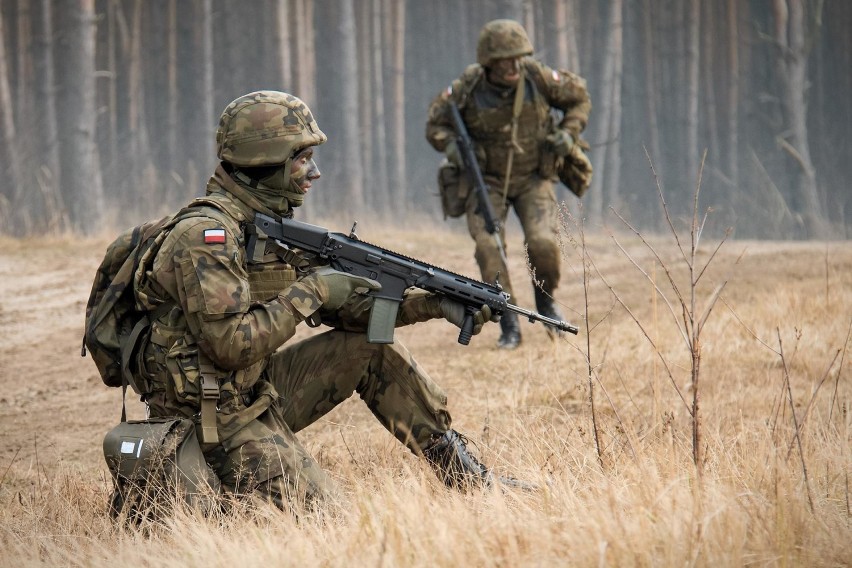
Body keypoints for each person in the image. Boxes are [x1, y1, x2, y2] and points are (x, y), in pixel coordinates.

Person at [131, 90, 513, 511]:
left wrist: (434, 304)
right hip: (213, 419)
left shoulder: (266, 228)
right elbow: (229, 344)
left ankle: (470, 481)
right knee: (333, 520)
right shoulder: (207, 238)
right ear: (266, 160)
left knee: (371, 345)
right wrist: (312, 292)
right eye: (302, 159)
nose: (314, 173)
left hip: (255, 393)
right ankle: (211, 496)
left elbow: (348, 309)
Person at [426, 19, 592, 350]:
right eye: (505, 60)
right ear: (489, 62)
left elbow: (579, 98)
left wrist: (568, 133)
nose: (513, 65)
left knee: (543, 244)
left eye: (518, 57)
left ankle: (545, 302)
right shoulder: (467, 88)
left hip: (533, 178)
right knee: (489, 247)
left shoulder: (539, 77)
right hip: (486, 182)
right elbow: (435, 124)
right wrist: (452, 148)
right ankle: (509, 322)